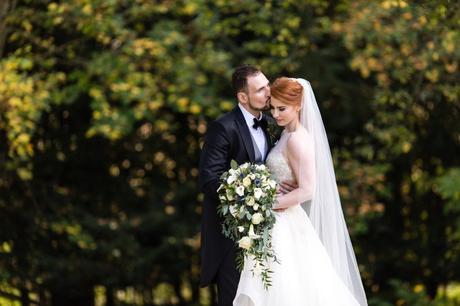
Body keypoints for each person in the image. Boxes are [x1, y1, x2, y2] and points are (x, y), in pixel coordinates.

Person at [233, 77, 368, 306]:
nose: (275, 114)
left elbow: (307, 190)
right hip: (279, 222)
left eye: (282, 108)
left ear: (299, 105)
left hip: (285, 222)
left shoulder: (297, 139)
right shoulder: (286, 133)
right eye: (273, 108)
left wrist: (265, 204)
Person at [198, 65, 295, 306]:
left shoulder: (275, 124)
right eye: (260, 90)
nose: (268, 92)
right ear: (243, 97)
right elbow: (210, 179)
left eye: (267, 85)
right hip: (233, 239)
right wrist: (253, 195)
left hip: (274, 234)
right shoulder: (223, 128)